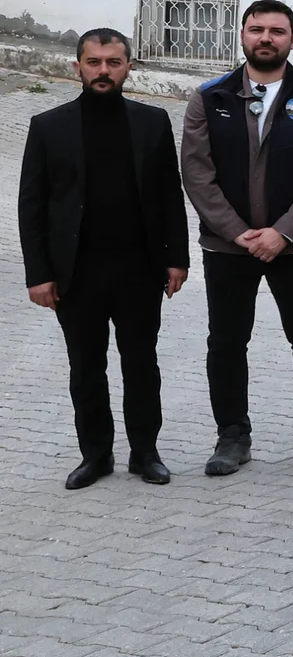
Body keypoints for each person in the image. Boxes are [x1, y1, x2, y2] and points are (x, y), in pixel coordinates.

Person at [181, 0, 293, 476]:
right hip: (226, 248)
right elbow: (197, 173)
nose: (266, 38)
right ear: (242, 35)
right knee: (227, 341)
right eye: (257, 29)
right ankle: (231, 436)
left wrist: (284, 231)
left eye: (277, 30)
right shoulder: (209, 97)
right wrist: (239, 234)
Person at [19, 29, 189, 489]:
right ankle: (95, 456)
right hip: (77, 272)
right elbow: (31, 206)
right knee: (86, 367)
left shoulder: (153, 122)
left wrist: (178, 258)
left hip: (138, 267)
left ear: (128, 66)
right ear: (77, 67)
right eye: (93, 62)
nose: (103, 71)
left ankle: (145, 453)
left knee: (141, 364)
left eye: (113, 62)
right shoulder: (47, 126)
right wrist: (38, 274)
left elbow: (170, 196)